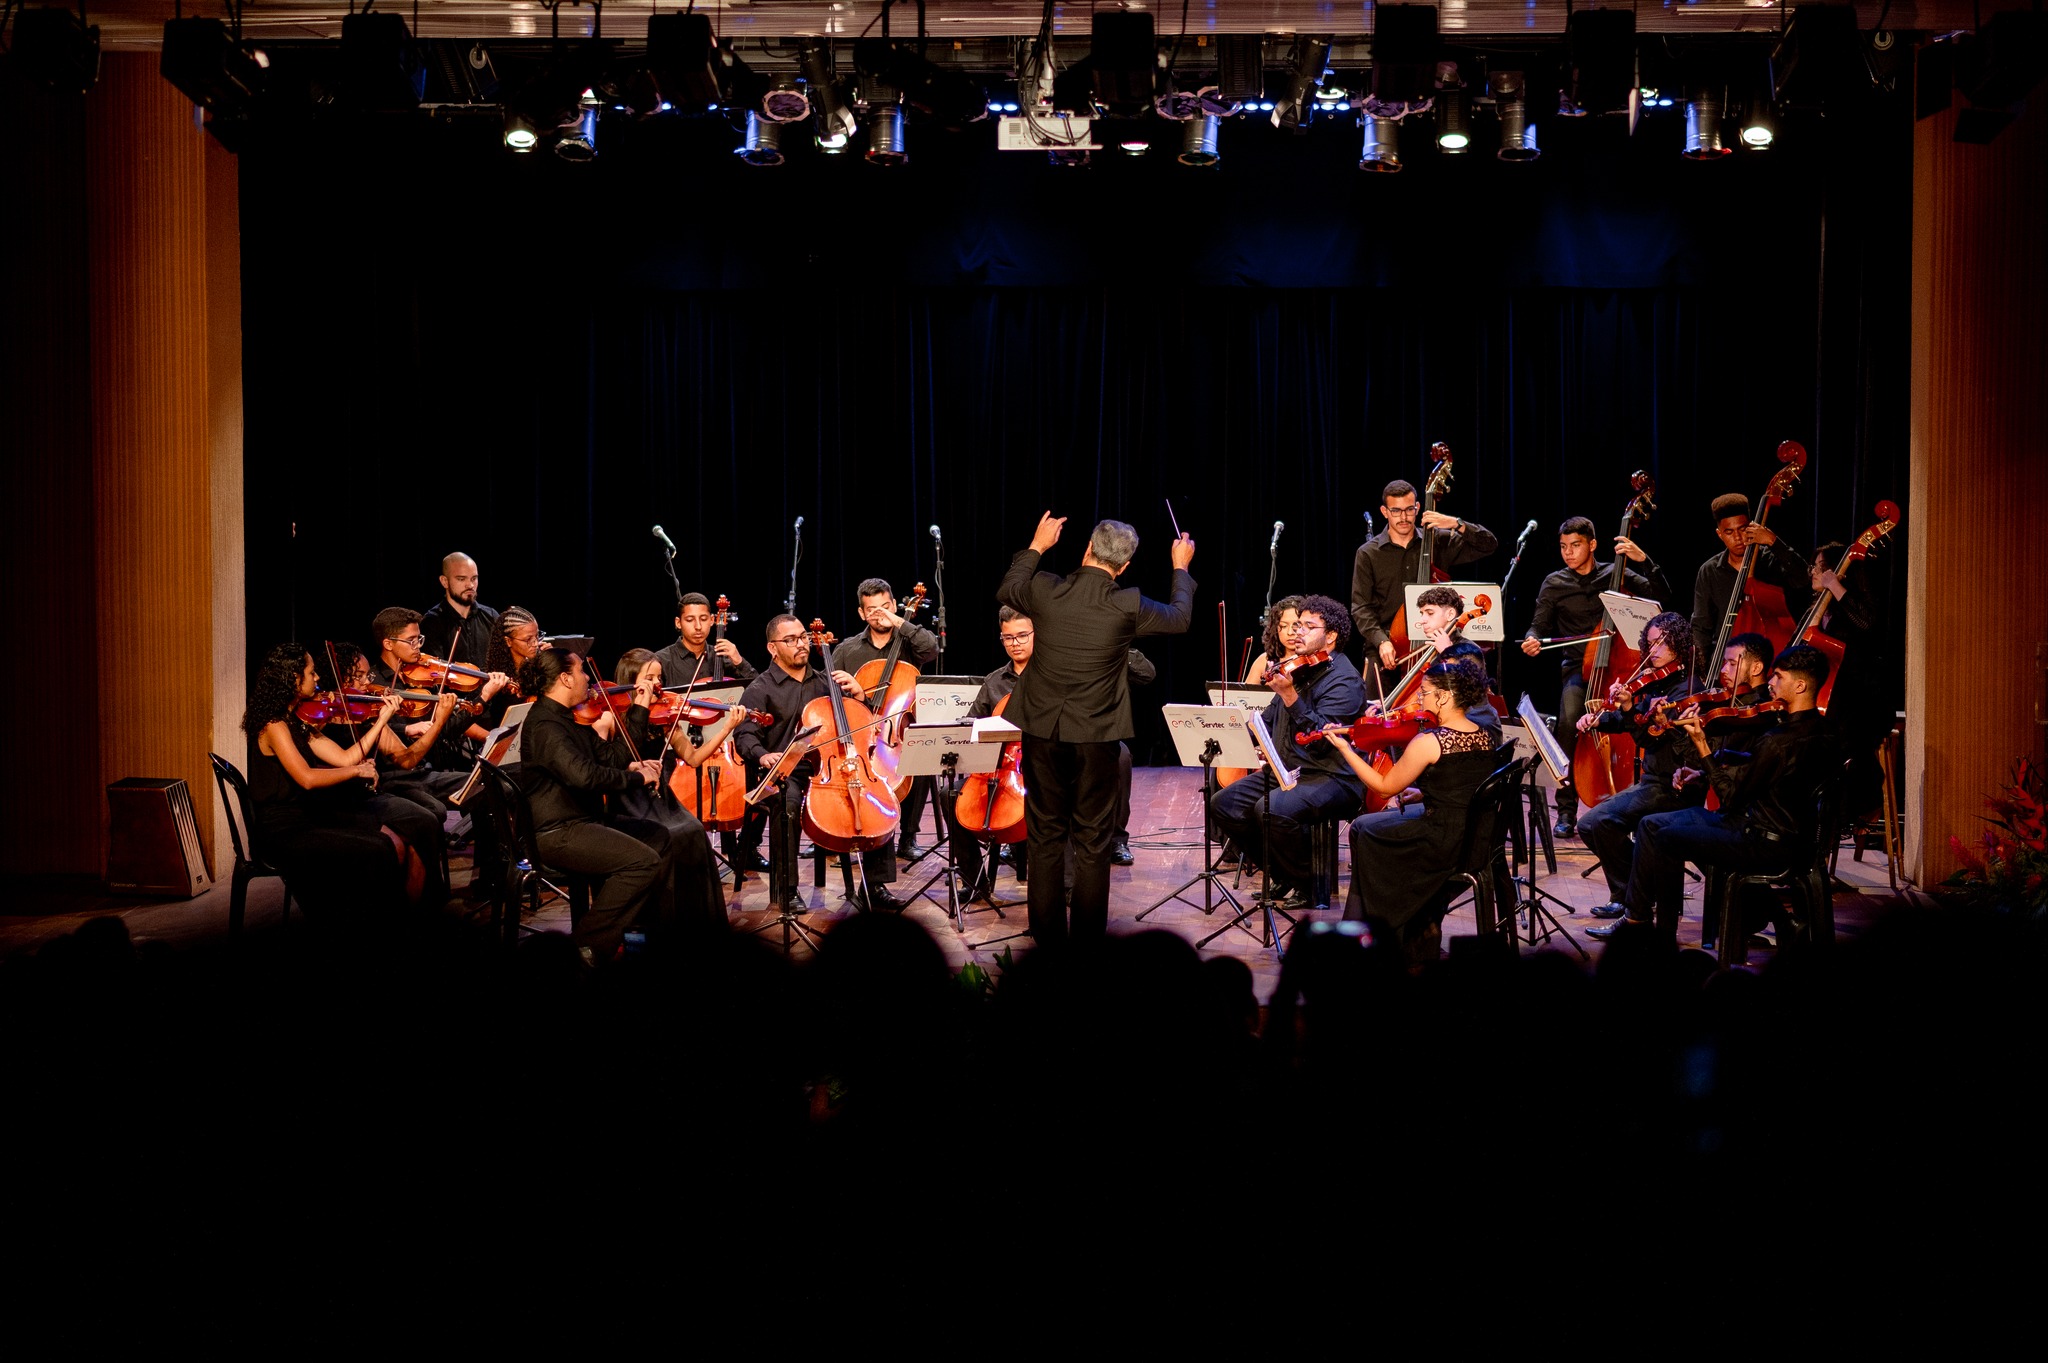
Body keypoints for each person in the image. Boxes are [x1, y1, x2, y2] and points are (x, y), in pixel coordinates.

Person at [996, 514, 1196, 947]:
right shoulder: (1128, 603)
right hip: (1096, 735)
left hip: (1043, 732)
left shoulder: (1046, 588)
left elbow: (1008, 588)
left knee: (1045, 836)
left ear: (1087, 548)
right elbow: (1180, 618)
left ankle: (1048, 946)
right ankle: (1086, 949)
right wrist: (1180, 566)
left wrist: (1037, 543)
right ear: (1124, 567)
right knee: (1091, 840)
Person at [1613, 644, 1841, 940]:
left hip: (1764, 840)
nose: (1771, 683)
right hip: (1799, 838)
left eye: (1778, 677)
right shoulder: (1824, 731)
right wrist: (1714, 765)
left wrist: (1703, 748)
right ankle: (1638, 920)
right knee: (1651, 823)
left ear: (1799, 685)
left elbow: (1732, 798)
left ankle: (1661, 938)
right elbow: (1769, 771)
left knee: (1665, 836)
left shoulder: (1777, 741)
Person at [943, 608, 1152, 900]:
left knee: (1063, 788)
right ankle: (974, 881)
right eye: (1007, 638)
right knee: (950, 794)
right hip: (1005, 770)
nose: (1015, 643)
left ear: (1038, 634)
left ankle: (1067, 884)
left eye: (1022, 636)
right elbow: (972, 724)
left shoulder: (1057, 673)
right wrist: (971, 726)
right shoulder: (994, 682)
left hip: (1051, 763)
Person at [1322, 659, 1505, 968]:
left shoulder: (1428, 741)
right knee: (1368, 830)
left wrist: (1346, 752)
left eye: (1425, 692)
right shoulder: (1484, 735)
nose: (1420, 699)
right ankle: (1414, 930)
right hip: (1476, 838)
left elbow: (1383, 788)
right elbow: (1465, 783)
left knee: (1369, 838)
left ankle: (1381, 934)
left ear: (1445, 697)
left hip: (1442, 842)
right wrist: (1423, 791)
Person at [513, 648, 685, 963]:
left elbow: (614, 757)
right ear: (565, 678)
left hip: (584, 821)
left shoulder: (571, 717)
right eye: (581, 671)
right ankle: (584, 949)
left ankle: (645, 940)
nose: (588, 678)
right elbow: (585, 777)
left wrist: (640, 707)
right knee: (642, 862)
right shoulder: (545, 725)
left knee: (659, 838)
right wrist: (638, 779)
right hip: (557, 832)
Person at [731, 614, 906, 912]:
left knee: (875, 798)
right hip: (788, 771)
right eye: (791, 640)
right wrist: (763, 754)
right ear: (773, 648)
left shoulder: (829, 682)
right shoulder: (760, 689)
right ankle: (786, 890)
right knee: (787, 802)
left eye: (802, 637)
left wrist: (859, 695)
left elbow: (859, 726)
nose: (801, 644)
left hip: (832, 768)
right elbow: (745, 734)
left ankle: (874, 885)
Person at [1208, 594, 1365, 908]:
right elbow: (1267, 721)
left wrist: (1291, 696)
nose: (1299, 632)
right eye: (1297, 625)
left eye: (1308, 626)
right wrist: (1231, 722)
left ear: (1330, 636)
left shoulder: (1345, 681)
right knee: (1223, 804)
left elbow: (1323, 740)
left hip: (1331, 776)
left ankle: (1310, 885)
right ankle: (1282, 873)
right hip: (1288, 769)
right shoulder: (1299, 670)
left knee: (1274, 808)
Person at [1518, 516, 1669, 838]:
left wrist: (1644, 561)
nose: (1569, 553)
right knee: (1569, 721)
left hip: (1618, 670)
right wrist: (1532, 638)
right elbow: (1539, 624)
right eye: (1563, 547)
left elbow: (1662, 597)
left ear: (1592, 545)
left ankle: (1633, 802)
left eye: (1575, 545)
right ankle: (1567, 808)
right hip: (1577, 669)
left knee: (1634, 722)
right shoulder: (1554, 583)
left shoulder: (1615, 575)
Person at [239, 643, 406, 917]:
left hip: (306, 817)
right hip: (283, 830)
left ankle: (379, 925)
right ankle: (373, 927)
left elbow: (345, 758)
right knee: (376, 849)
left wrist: (381, 720)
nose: (317, 678)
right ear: (293, 679)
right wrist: (357, 772)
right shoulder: (274, 725)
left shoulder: (294, 720)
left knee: (384, 842)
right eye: (311, 672)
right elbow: (306, 778)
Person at [1569, 612, 1703, 931]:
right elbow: (1636, 720)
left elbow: (1646, 737)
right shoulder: (1655, 680)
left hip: (1673, 787)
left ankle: (1636, 898)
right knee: (1591, 824)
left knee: (1598, 822)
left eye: (1662, 642)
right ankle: (1630, 893)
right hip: (1652, 782)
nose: (1653, 649)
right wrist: (1601, 719)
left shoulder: (1685, 690)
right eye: (1651, 642)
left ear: (1679, 645)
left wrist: (1628, 709)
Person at [587, 648, 729, 935]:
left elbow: (694, 757)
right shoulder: (608, 718)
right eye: (649, 677)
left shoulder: (663, 715)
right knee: (671, 836)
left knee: (694, 832)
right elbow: (596, 766)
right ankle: (660, 922)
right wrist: (629, 767)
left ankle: (695, 925)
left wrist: (728, 727)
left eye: (659, 677)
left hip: (662, 800)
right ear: (631, 680)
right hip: (628, 803)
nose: (657, 684)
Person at [654, 592, 767, 872]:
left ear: (713, 620)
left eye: (704, 619)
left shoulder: (723, 656)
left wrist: (739, 661)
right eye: (690, 620)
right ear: (678, 623)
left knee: (762, 782)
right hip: (681, 745)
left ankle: (747, 848)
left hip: (725, 740)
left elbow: (757, 691)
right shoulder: (663, 660)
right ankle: (684, 850)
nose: (698, 626)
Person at [833, 578, 942, 861]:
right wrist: (856, 696)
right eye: (872, 610)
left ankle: (908, 837)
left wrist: (899, 621)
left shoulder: (910, 642)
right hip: (859, 732)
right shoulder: (847, 650)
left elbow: (932, 648)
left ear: (894, 605)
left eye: (885, 607)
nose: (879, 614)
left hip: (897, 731)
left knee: (920, 759)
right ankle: (847, 831)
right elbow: (830, 694)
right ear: (861, 613)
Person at [1350, 478, 1497, 676]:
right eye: (1396, 511)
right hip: (1386, 645)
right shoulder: (1368, 553)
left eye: (1409, 509)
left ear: (1418, 507)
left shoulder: (1437, 541)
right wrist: (1381, 641)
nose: (1403, 517)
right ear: (1385, 512)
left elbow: (1488, 544)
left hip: (1434, 644)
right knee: (1374, 706)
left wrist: (1456, 523)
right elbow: (1361, 607)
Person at [1689, 494, 1812, 660]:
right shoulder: (1709, 571)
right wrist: (1703, 672)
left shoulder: (1770, 560)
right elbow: (1701, 627)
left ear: (1752, 526)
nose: (1738, 538)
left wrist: (1773, 541)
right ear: (1720, 534)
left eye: (1742, 529)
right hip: (1725, 662)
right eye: (1729, 532)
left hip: (1769, 658)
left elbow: (1804, 578)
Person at [1245, 596, 1304, 680]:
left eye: (1296, 626)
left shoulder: (1316, 662)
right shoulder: (1263, 661)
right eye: (1283, 626)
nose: (1290, 633)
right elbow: (1247, 693)